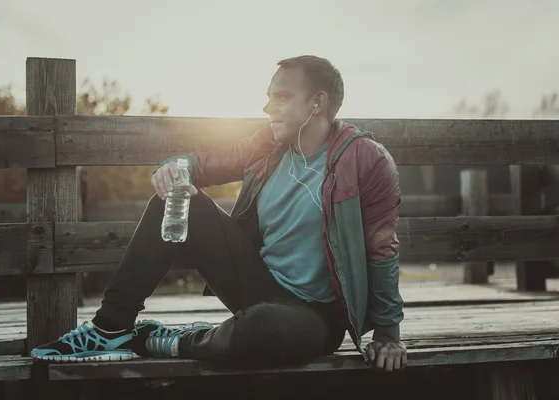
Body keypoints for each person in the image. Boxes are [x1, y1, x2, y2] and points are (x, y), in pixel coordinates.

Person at [31, 55, 407, 372]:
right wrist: (173, 169)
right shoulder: (266, 146)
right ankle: (110, 327)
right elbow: (201, 164)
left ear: (317, 102)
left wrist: (388, 335)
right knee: (176, 197)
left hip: (315, 316)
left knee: (260, 329)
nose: (267, 108)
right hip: (257, 283)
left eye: (281, 97)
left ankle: (172, 341)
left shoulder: (366, 161)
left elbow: (381, 248)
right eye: (268, 97)